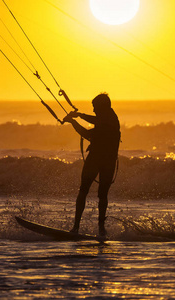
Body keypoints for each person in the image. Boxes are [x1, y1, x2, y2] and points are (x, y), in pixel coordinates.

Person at [63, 93, 120, 237]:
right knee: (102, 195)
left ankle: (77, 227)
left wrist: (72, 122)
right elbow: (96, 119)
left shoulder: (107, 122)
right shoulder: (111, 117)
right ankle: (101, 229)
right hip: (109, 161)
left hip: (97, 159)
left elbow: (87, 134)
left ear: (101, 107)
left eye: (95, 107)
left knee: (84, 191)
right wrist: (80, 115)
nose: (93, 110)